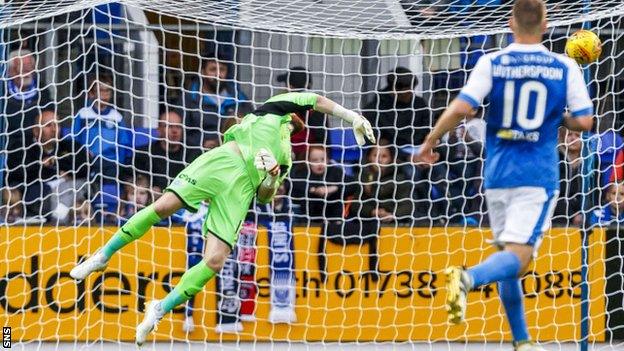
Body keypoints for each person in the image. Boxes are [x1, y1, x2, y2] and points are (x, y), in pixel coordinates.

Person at [69, 91, 375, 345]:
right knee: (163, 207)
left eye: (299, 122)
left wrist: (269, 179)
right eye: (297, 115)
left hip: (241, 191)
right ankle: (103, 255)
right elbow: (316, 99)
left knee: (215, 260)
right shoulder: (269, 110)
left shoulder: (287, 156)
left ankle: (159, 308)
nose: (298, 119)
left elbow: (266, 196)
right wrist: (352, 117)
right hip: (223, 161)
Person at [418, 1, 594, 350]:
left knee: (507, 255)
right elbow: (585, 121)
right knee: (519, 257)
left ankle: (522, 341)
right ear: (545, 26)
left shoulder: (492, 62)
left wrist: (430, 140)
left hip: (497, 174)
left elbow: (462, 107)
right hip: (536, 175)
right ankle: (467, 278)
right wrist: (554, 117)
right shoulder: (564, 65)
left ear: (511, 23)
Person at [23, 110, 89, 222]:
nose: (54, 129)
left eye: (57, 125)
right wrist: (58, 172)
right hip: (43, 196)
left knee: (76, 186)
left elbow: (84, 168)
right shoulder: (25, 150)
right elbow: (25, 174)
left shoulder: (71, 147)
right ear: (36, 131)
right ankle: (69, 218)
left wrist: (54, 162)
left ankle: (61, 219)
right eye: (48, 125)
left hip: (72, 188)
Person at [179, 50, 252, 152]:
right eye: (213, 69)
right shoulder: (190, 98)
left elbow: (250, 127)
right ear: (203, 72)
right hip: (198, 155)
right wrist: (201, 142)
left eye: (222, 70)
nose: (218, 74)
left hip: (234, 154)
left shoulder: (240, 98)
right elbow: (179, 132)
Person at [4, 48, 53, 188]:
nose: (27, 71)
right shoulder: (2, 91)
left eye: (30, 66)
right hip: (8, 149)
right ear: (12, 71)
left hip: (35, 150)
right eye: (22, 67)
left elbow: (49, 117)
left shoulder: (42, 90)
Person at [133, 109, 198, 193]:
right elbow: (129, 179)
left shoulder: (193, 154)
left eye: (178, 127)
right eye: (169, 126)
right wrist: (148, 189)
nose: (175, 131)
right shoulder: (144, 154)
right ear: (159, 130)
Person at [277, 66, 328, 159]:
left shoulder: (285, 106)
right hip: (315, 156)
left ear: (290, 86)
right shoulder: (318, 104)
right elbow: (322, 136)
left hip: (304, 157)